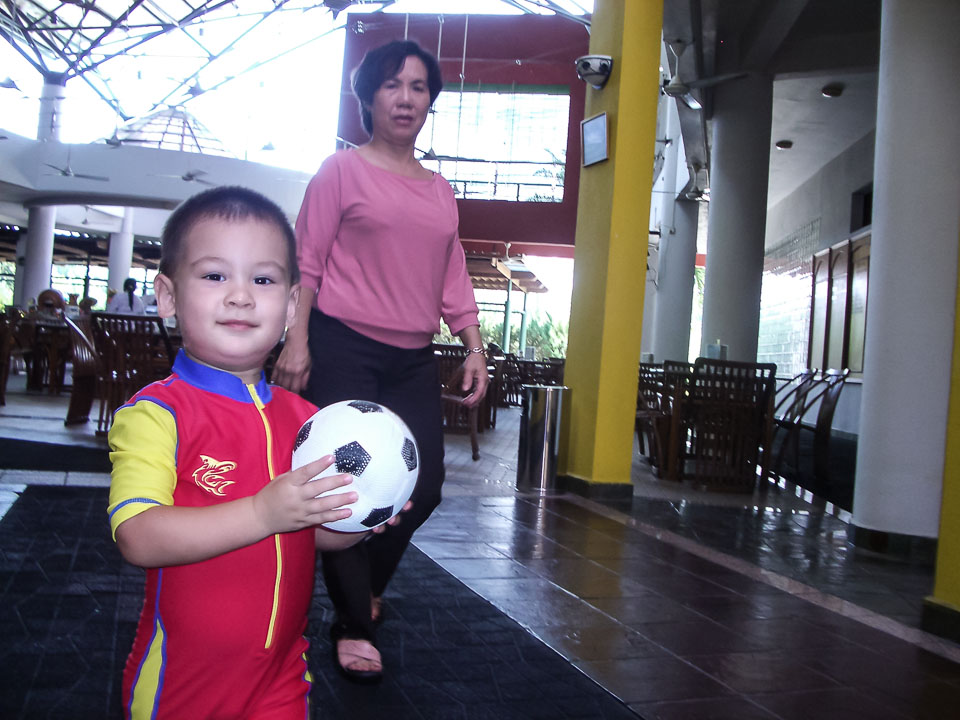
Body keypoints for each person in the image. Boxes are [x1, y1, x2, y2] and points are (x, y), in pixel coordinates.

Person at [107, 186, 389, 719]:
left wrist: (362, 518)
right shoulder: (157, 414)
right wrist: (262, 512)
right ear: (167, 296)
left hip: (281, 676)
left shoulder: (308, 421)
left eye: (263, 280)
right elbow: (138, 536)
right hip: (181, 684)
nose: (241, 296)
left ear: (291, 305)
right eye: (215, 276)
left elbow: (312, 532)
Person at [272, 39, 489, 684]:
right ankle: (354, 626)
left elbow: (452, 273)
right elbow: (307, 264)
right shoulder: (341, 171)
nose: (405, 98)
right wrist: (297, 340)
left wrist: (473, 344)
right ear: (368, 96)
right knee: (344, 490)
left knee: (424, 487)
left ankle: (360, 590)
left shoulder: (441, 191)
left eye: (418, 87)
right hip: (343, 346)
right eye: (392, 85)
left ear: (430, 102)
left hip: (412, 357)